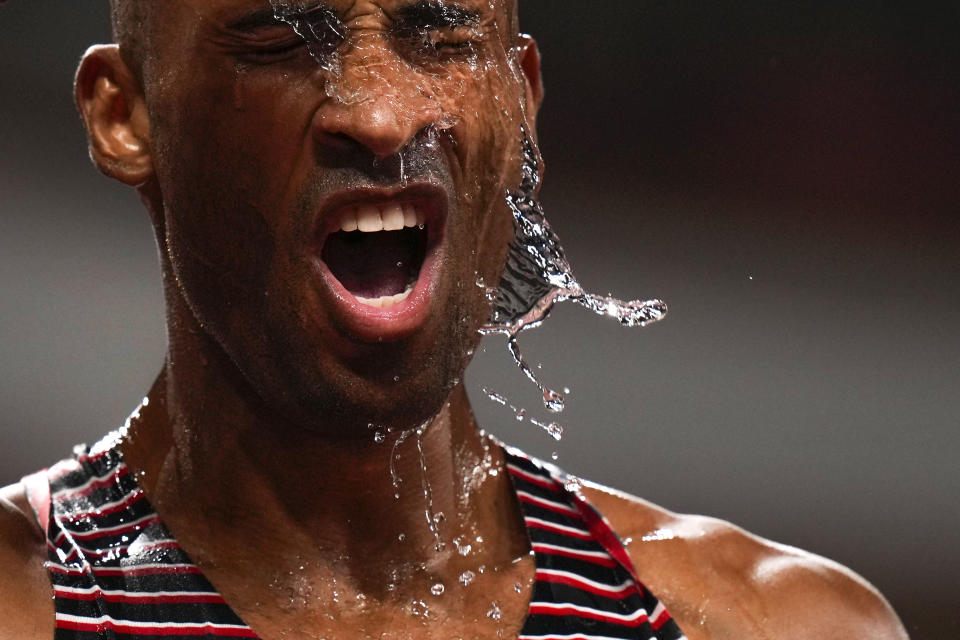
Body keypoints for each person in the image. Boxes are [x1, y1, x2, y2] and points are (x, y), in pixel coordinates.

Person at [0, 1, 909, 638]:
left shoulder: (776, 628)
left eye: (437, 33)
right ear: (126, 114)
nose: (381, 114)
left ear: (519, 102)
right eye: (279, 39)